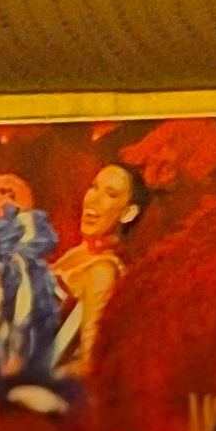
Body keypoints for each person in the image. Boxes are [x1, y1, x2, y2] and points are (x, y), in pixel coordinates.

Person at [54, 159, 147, 380]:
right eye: (94, 187)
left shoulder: (103, 271)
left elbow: (90, 363)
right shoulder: (80, 252)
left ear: (128, 213)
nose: (93, 200)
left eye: (110, 194)